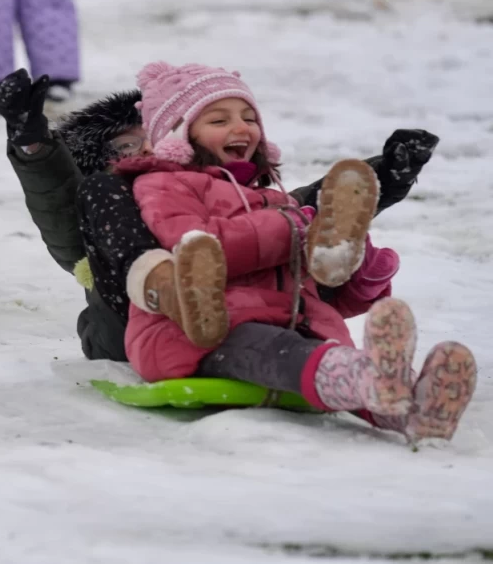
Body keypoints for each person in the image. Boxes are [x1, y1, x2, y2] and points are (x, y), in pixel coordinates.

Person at [119, 61, 476, 441]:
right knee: (281, 352)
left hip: (292, 320)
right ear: (177, 137)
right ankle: (373, 380)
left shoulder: (275, 200)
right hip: (201, 330)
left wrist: (357, 267)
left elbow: (318, 292)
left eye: (249, 117)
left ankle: (415, 409)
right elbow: (199, 246)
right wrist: (296, 227)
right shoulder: (164, 185)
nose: (241, 128)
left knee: (316, 348)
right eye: (219, 121)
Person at [0, 69, 440, 362]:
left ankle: (341, 371)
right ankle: (166, 289)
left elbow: (307, 207)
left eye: (149, 138)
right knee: (104, 195)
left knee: (288, 223)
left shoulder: (225, 192)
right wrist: (34, 145)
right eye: (124, 147)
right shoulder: (104, 201)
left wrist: (385, 173)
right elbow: (58, 205)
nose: (143, 151)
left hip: (230, 319)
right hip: (127, 325)